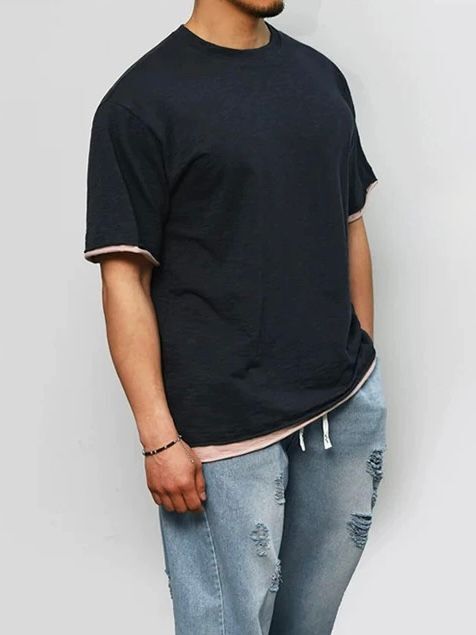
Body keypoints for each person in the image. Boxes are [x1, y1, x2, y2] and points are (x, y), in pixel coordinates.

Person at [83, 1, 387, 633]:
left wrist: (362, 358)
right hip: (223, 435)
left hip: (342, 408)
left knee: (309, 626)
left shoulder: (320, 78)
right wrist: (159, 439)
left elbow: (350, 223)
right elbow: (124, 277)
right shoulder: (139, 103)